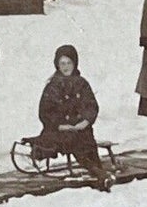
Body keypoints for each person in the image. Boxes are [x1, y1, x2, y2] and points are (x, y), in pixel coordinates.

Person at [33, 45, 112, 190]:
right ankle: (99, 173)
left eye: (69, 63)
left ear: (75, 63)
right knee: (74, 142)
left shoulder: (82, 83)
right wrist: (60, 125)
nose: (65, 67)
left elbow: (91, 105)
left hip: (79, 128)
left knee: (87, 143)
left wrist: (85, 121)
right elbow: (45, 112)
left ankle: (99, 174)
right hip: (57, 130)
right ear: (57, 64)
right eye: (62, 63)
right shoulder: (52, 86)